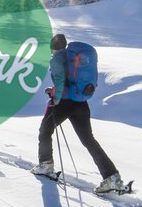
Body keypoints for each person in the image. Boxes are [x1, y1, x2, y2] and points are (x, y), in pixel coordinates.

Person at [31, 33, 124, 194]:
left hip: (64, 104)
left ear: (53, 47)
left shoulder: (57, 59)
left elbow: (60, 80)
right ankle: (112, 177)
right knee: (89, 140)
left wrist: (56, 98)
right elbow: (68, 81)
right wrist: (54, 91)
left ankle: (45, 165)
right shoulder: (72, 58)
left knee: (44, 131)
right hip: (81, 103)